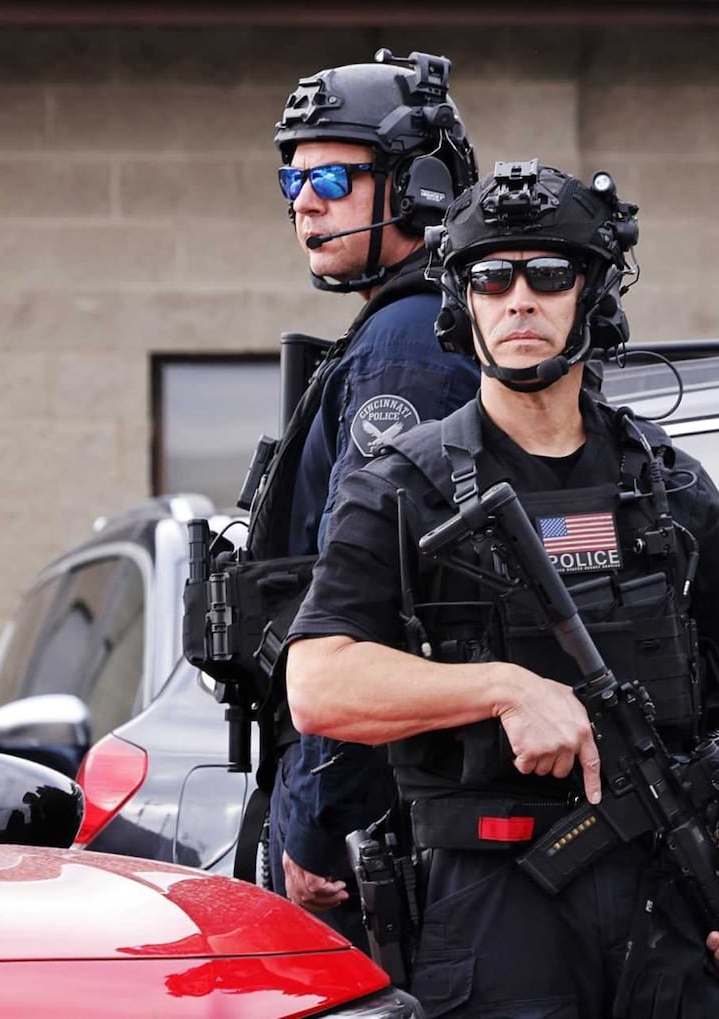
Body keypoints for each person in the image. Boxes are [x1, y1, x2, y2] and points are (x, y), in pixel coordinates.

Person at [284, 160, 719, 1015]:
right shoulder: (397, 489)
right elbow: (317, 685)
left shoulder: (670, 487)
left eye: (549, 275)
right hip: (491, 904)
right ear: (464, 305)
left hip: (670, 897)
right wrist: (502, 688)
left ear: (591, 299)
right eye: (492, 277)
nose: (518, 298)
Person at [245, 50, 481, 943]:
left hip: (380, 800)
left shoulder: (408, 345)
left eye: (333, 177)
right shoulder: (414, 323)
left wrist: (315, 809)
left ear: (415, 185)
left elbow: (374, 594)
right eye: (293, 180)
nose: (304, 201)